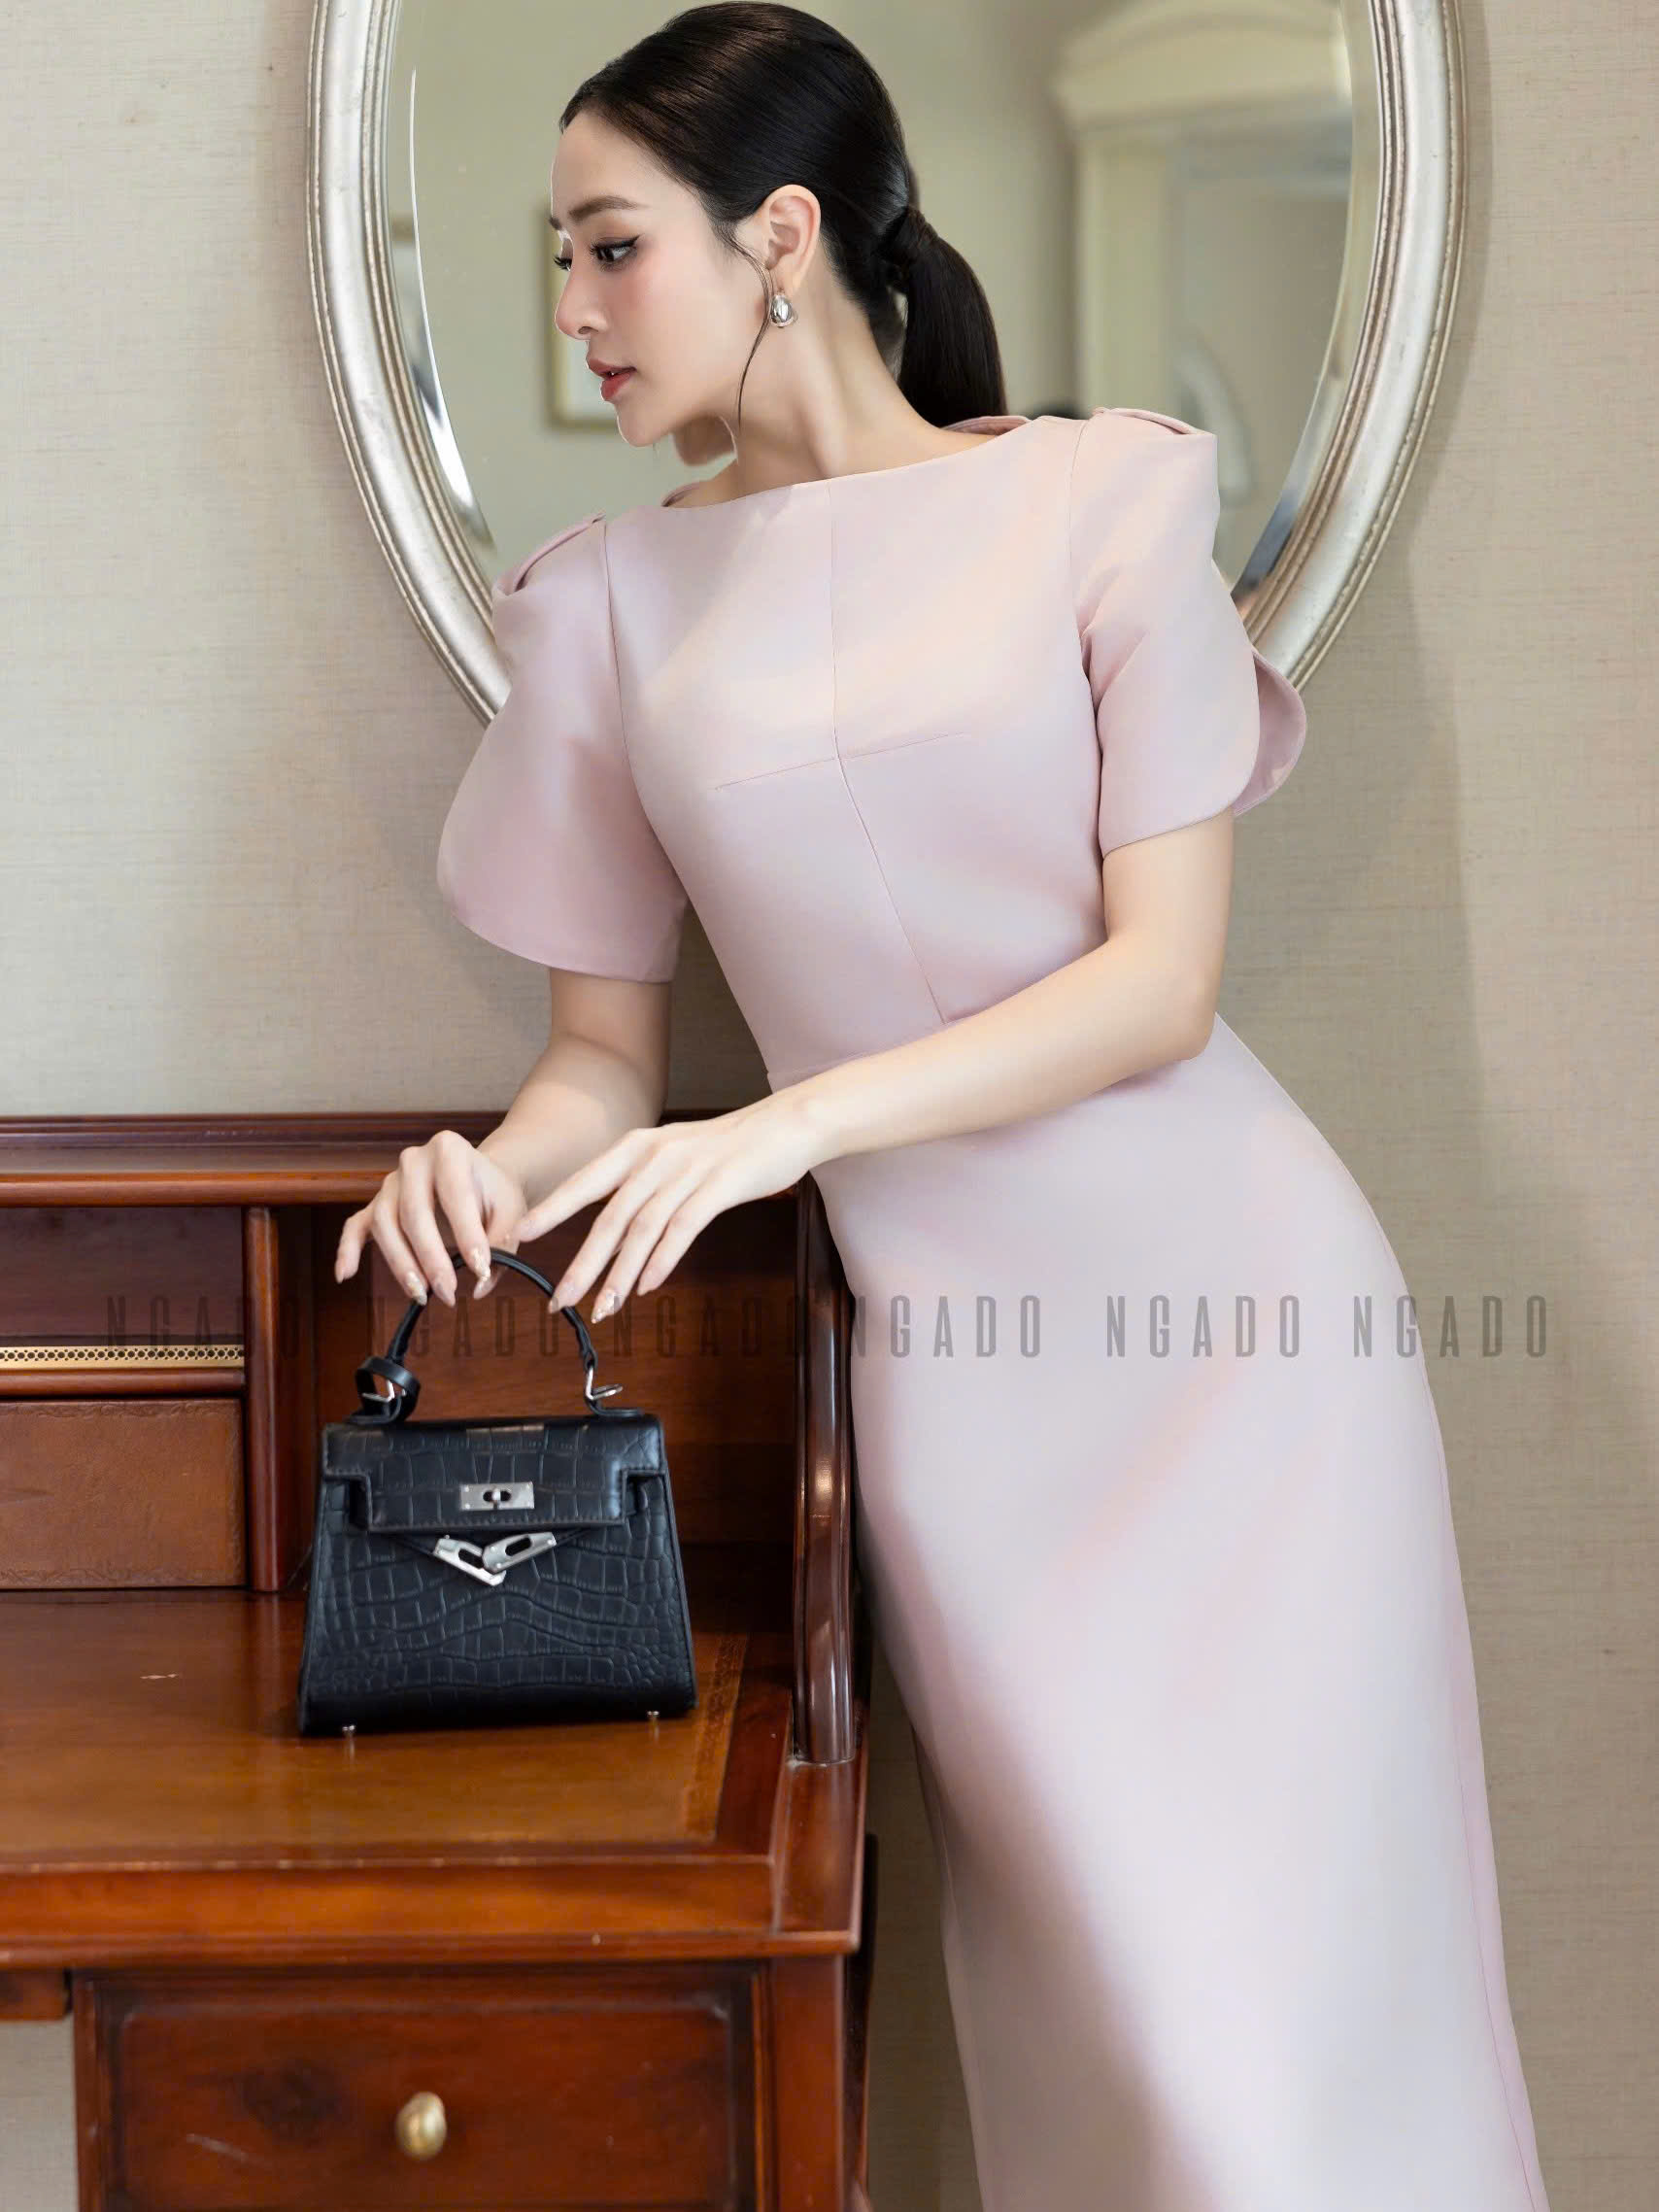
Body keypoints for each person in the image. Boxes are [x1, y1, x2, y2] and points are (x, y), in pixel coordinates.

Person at [335, 7, 1554, 2206]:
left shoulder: (1102, 497)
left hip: (1254, 1356)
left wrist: (790, 1128)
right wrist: (478, 1175)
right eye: (558, 257)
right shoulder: (609, 606)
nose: (574, 306)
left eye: (610, 246)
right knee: (1133, 2059)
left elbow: (1157, 986)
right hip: (974, 1428)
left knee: (1292, 2091)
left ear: (778, 235)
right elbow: (601, 1067)